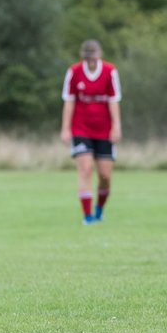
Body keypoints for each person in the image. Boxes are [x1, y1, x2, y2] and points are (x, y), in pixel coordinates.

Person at [60, 39, 122, 224]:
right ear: (83, 57)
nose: (91, 61)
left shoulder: (110, 71)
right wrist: (65, 128)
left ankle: (99, 209)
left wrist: (116, 126)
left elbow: (114, 101)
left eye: (94, 57)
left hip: (104, 129)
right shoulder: (74, 72)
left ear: (99, 55)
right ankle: (87, 216)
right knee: (86, 170)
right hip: (81, 128)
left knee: (105, 176)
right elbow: (69, 101)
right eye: (88, 58)